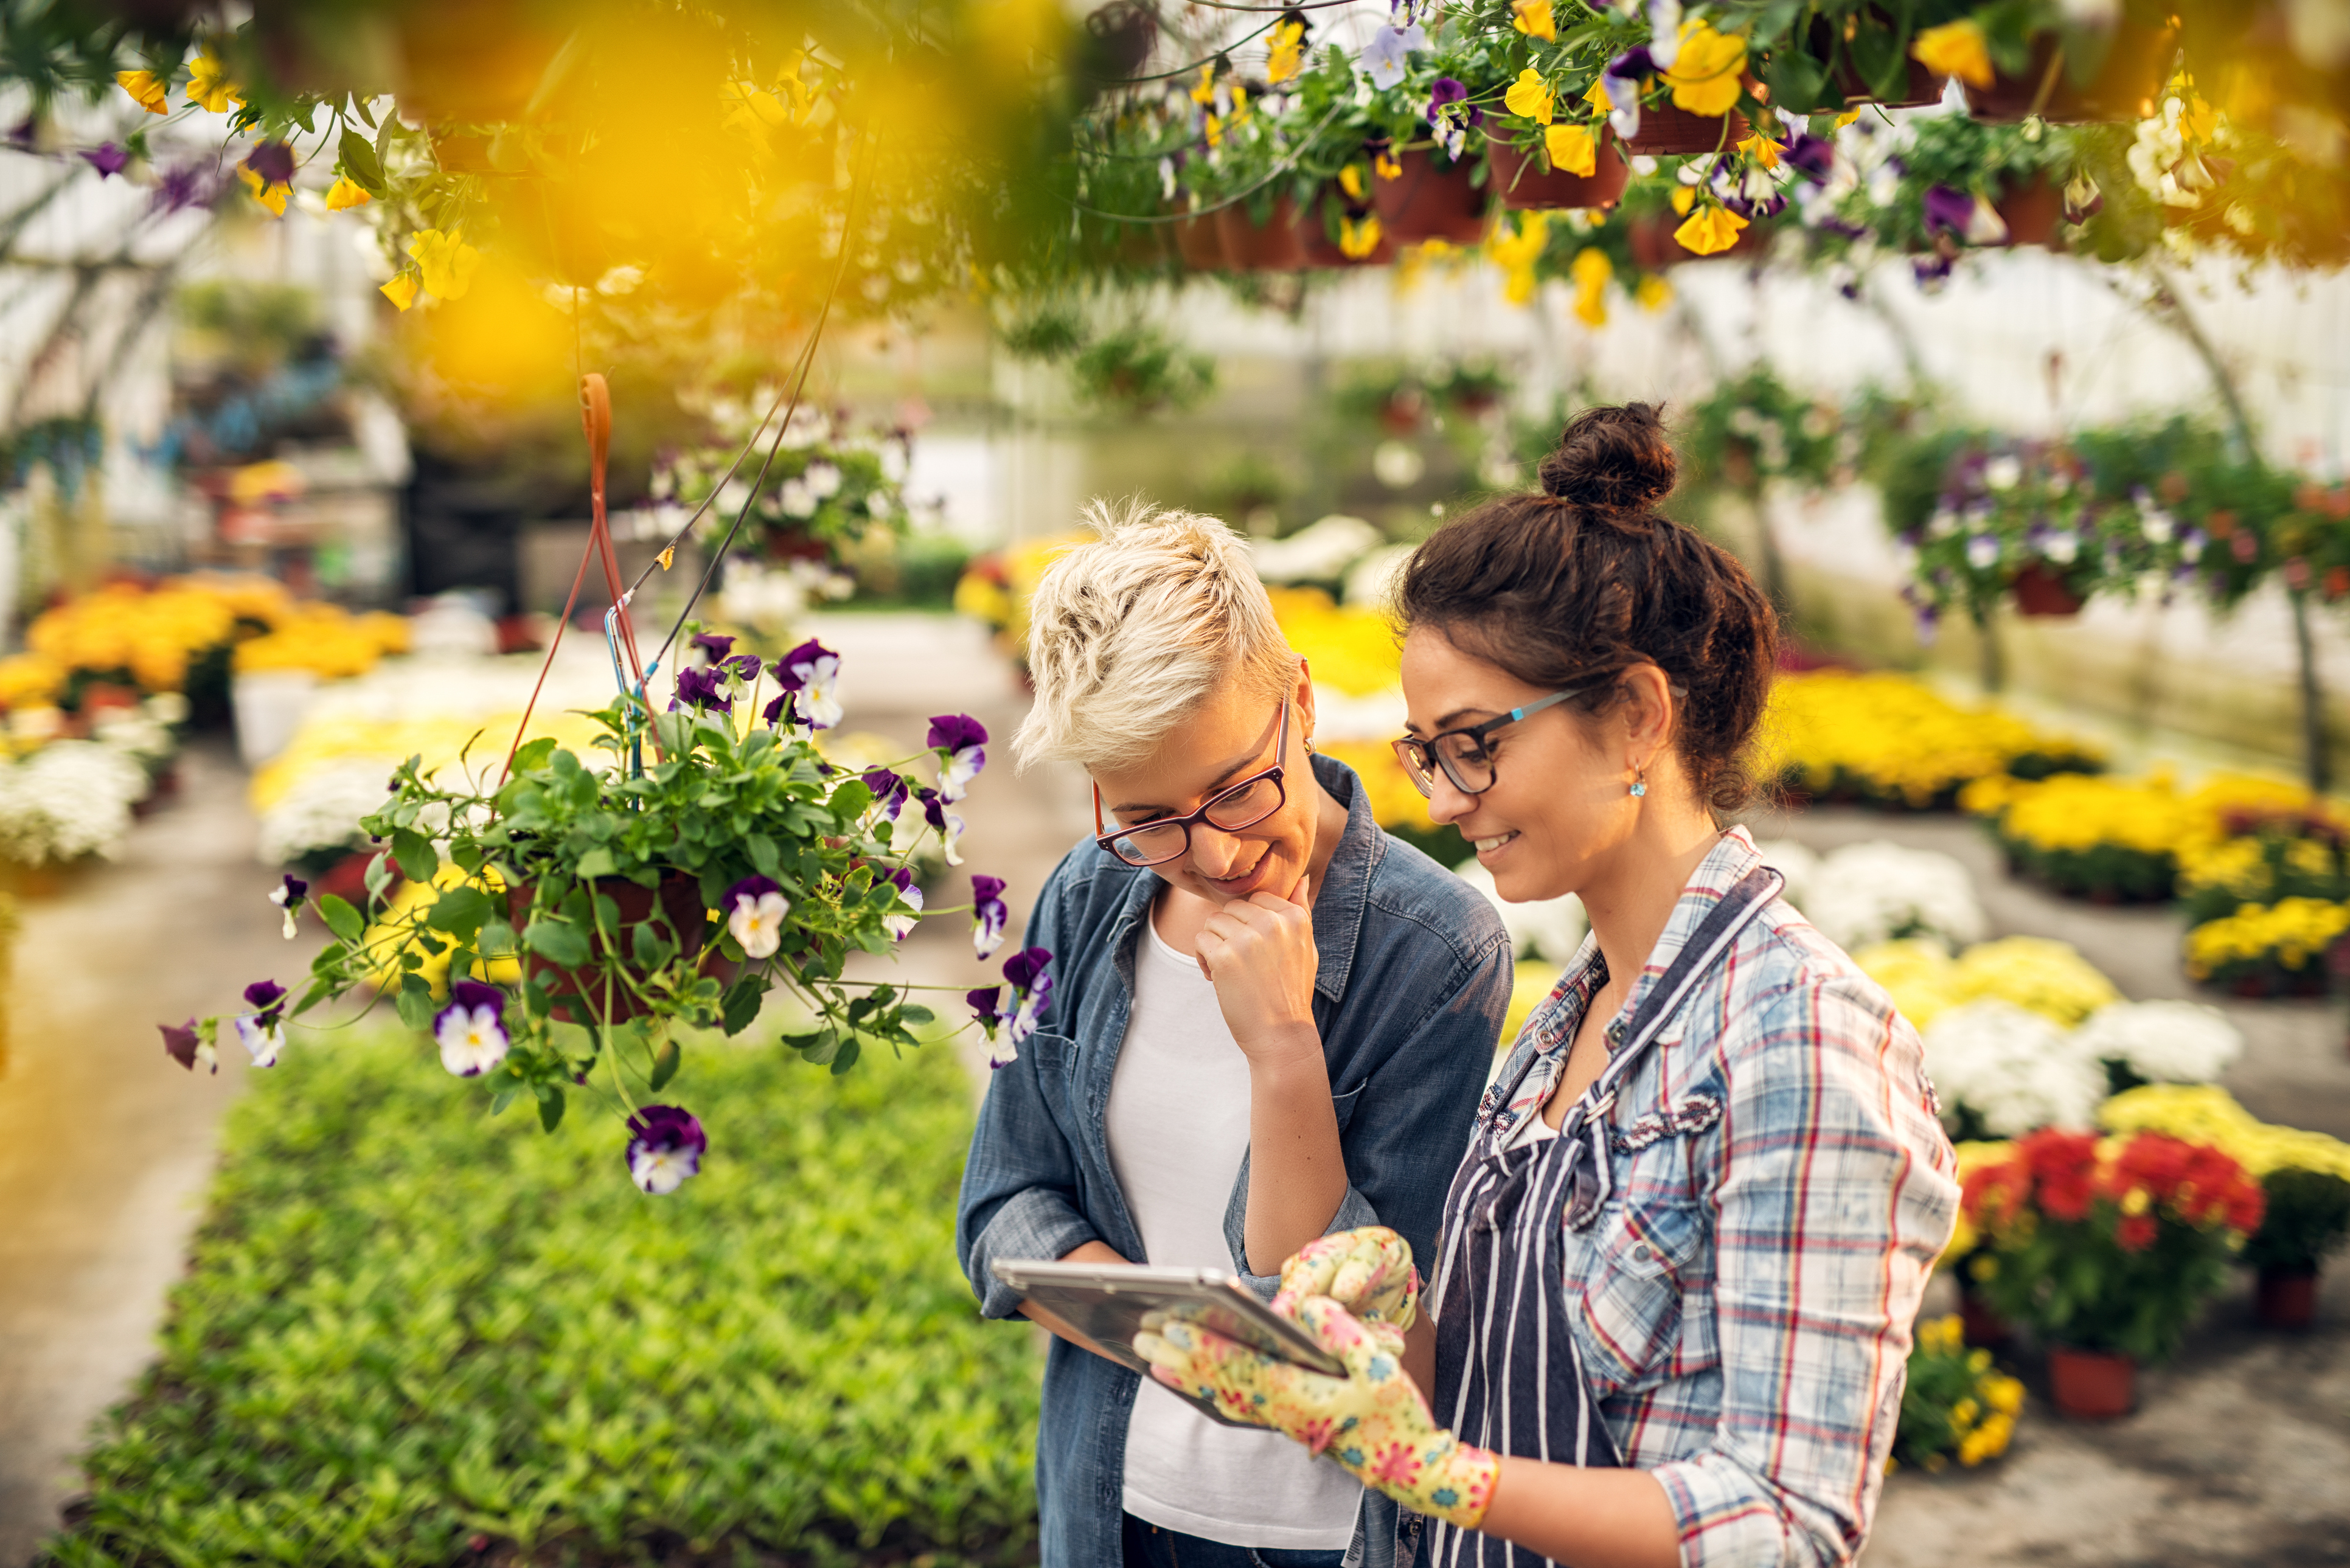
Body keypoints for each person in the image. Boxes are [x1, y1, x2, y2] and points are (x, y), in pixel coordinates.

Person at [1138, 406, 1960, 1568]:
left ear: (1635, 716)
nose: (1441, 797)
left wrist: (1436, 1474)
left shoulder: (1802, 1042)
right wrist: (1370, 1321)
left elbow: (1785, 1518)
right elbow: (1472, 1394)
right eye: (1426, 750)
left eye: (1476, 741)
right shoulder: (1567, 1022)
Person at [956, 501, 1516, 1568]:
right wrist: (1176, 1346)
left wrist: (1284, 1050)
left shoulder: (1436, 951)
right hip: (1105, 1501)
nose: (1211, 855)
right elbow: (1002, 1202)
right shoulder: (1087, 897)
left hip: (1312, 1536)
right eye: (1151, 817)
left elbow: (1350, 1330)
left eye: (1234, 791)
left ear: (1300, 698)